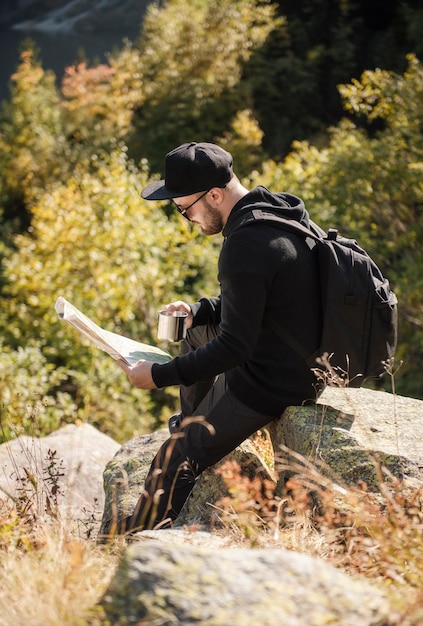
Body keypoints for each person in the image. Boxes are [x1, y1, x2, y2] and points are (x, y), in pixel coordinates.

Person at [117, 141, 323, 533]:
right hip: (289, 349)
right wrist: (199, 311)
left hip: (275, 377)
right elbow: (258, 297)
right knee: (194, 333)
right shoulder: (273, 211)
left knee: (175, 456)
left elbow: (235, 347)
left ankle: (139, 536)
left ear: (214, 195)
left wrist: (158, 376)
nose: (186, 218)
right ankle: (192, 421)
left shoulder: (244, 246)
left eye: (184, 208)